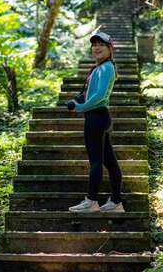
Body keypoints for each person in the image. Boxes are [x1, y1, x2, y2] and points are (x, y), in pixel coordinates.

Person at [67, 31, 124, 213]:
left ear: (110, 49)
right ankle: (115, 202)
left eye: (101, 44)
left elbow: (99, 96)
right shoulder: (99, 68)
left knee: (96, 162)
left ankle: (91, 201)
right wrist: (80, 99)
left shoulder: (106, 67)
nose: (97, 47)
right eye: (94, 44)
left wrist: (80, 108)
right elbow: (93, 93)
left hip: (96, 117)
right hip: (100, 117)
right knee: (110, 162)